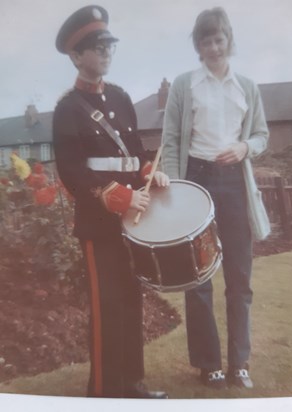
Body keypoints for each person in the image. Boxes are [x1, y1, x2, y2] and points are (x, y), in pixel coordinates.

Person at [53, 5, 169, 399]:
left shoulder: (120, 97)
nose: (105, 53)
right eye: (96, 47)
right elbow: (71, 170)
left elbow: (134, 154)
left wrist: (151, 173)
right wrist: (116, 197)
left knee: (131, 302)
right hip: (99, 226)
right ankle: (103, 393)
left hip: (132, 225)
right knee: (107, 309)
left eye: (108, 46)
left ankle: (132, 385)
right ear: (76, 55)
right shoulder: (68, 108)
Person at [162, 7, 270, 389]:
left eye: (218, 39)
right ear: (198, 46)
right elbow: (171, 139)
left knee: (239, 276)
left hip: (234, 185)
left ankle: (240, 362)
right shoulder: (185, 84)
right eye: (205, 41)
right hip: (197, 181)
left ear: (229, 40)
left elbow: (261, 135)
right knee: (199, 276)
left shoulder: (247, 86)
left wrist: (244, 147)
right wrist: (176, 190)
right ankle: (210, 364)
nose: (213, 47)